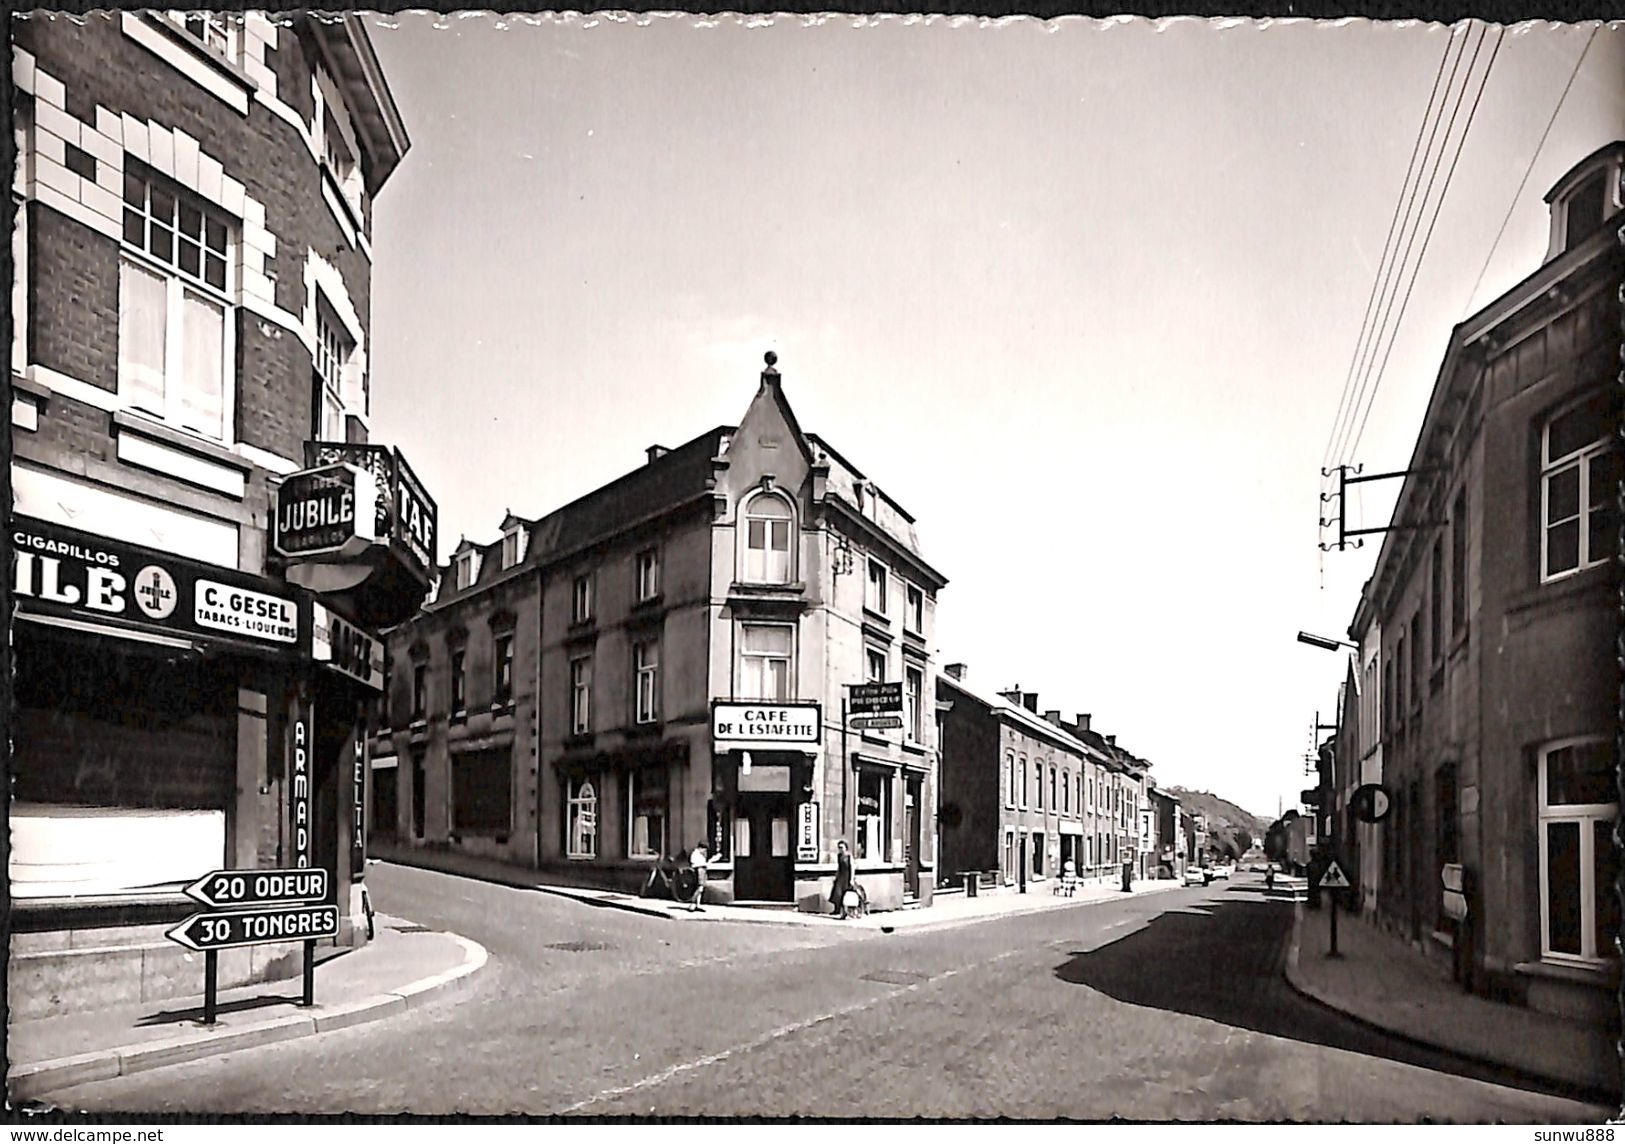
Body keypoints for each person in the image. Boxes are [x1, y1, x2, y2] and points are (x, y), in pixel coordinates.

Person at [831, 839, 853, 919]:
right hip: (840, 876)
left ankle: (844, 912)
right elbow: (839, 867)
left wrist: (851, 879)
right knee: (837, 893)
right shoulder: (839, 856)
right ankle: (837, 909)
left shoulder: (849, 856)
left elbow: (852, 868)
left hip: (847, 877)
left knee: (845, 895)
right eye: (839, 847)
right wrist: (836, 876)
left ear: (845, 848)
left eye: (841, 847)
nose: (840, 849)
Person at [687, 842, 708, 912]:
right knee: (700, 888)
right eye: (704, 849)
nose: (704, 851)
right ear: (700, 848)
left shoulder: (699, 854)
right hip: (699, 870)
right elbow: (696, 864)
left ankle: (697, 904)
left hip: (701, 870)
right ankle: (692, 903)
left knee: (700, 888)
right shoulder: (695, 854)